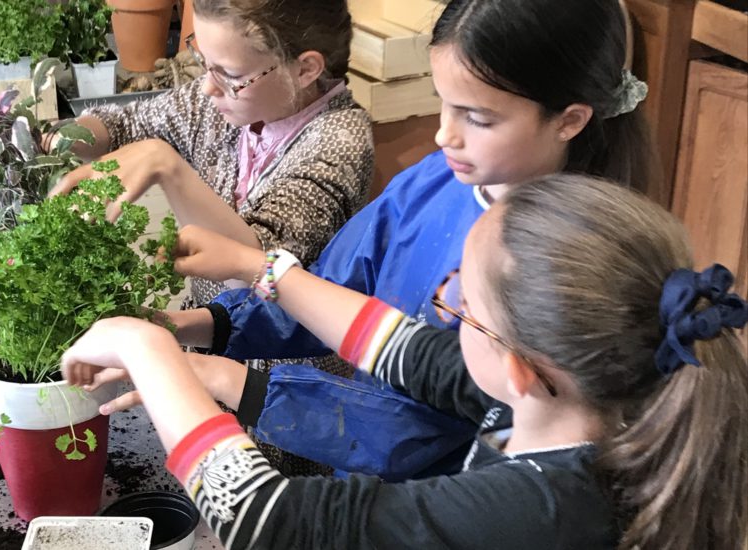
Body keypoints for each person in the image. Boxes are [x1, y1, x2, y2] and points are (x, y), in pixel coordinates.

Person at [91, 0, 656, 479]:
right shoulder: (434, 180)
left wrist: (223, 377)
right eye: (443, 102)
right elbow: (324, 293)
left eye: (477, 118)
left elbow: (421, 430)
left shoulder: (563, 268)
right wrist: (201, 325)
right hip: (357, 471)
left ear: (569, 120)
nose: (443, 133)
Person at [63, 176, 748, 549]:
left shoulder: (551, 507)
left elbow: (267, 520)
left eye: (461, 303)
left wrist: (146, 346)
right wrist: (258, 269)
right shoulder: (569, 405)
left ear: (523, 371)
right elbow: (401, 348)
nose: (440, 301)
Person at [49, 0, 373, 316]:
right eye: (203, 61)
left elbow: (255, 272)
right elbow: (125, 124)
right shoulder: (226, 103)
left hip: (279, 366)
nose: (207, 88)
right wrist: (51, 139)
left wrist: (167, 166)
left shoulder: (340, 140)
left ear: (305, 69)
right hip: (209, 336)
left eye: (229, 73)